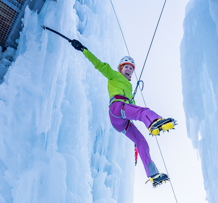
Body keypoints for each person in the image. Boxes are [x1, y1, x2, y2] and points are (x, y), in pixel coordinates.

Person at [69, 39, 175, 187]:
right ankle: (154, 122)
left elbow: (133, 109)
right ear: (120, 68)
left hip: (122, 121)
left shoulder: (129, 87)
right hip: (116, 108)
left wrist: (131, 102)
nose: (129, 70)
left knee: (141, 141)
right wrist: (83, 49)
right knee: (143, 112)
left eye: (131, 69)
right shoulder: (113, 75)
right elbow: (99, 65)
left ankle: (153, 175)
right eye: (126, 67)